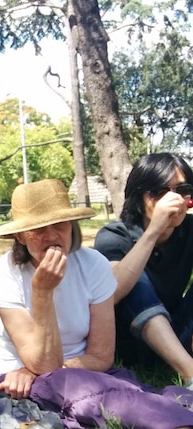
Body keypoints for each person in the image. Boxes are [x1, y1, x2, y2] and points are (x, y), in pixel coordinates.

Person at [0, 179, 193, 428]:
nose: (51, 236)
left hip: (84, 371)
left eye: (60, 225)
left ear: (72, 226)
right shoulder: (2, 273)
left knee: (117, 390)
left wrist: (52, 369)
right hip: (18, 379)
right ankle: (177, 419)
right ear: (20, 235)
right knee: (102, 397)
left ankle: (176, 412)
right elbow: (43, 363)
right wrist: (42, 293)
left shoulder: (94, 265)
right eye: (38, 229)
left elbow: (101, 355)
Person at [94, 153, 193, 385]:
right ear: (139, 197)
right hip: (130, 342)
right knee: (132, 279)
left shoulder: (189, 229)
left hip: (176, 334)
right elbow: (112, 292)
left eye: (182, 189)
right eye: (159, 191)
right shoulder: (114, 235)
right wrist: (154, 230)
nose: (173, 199)